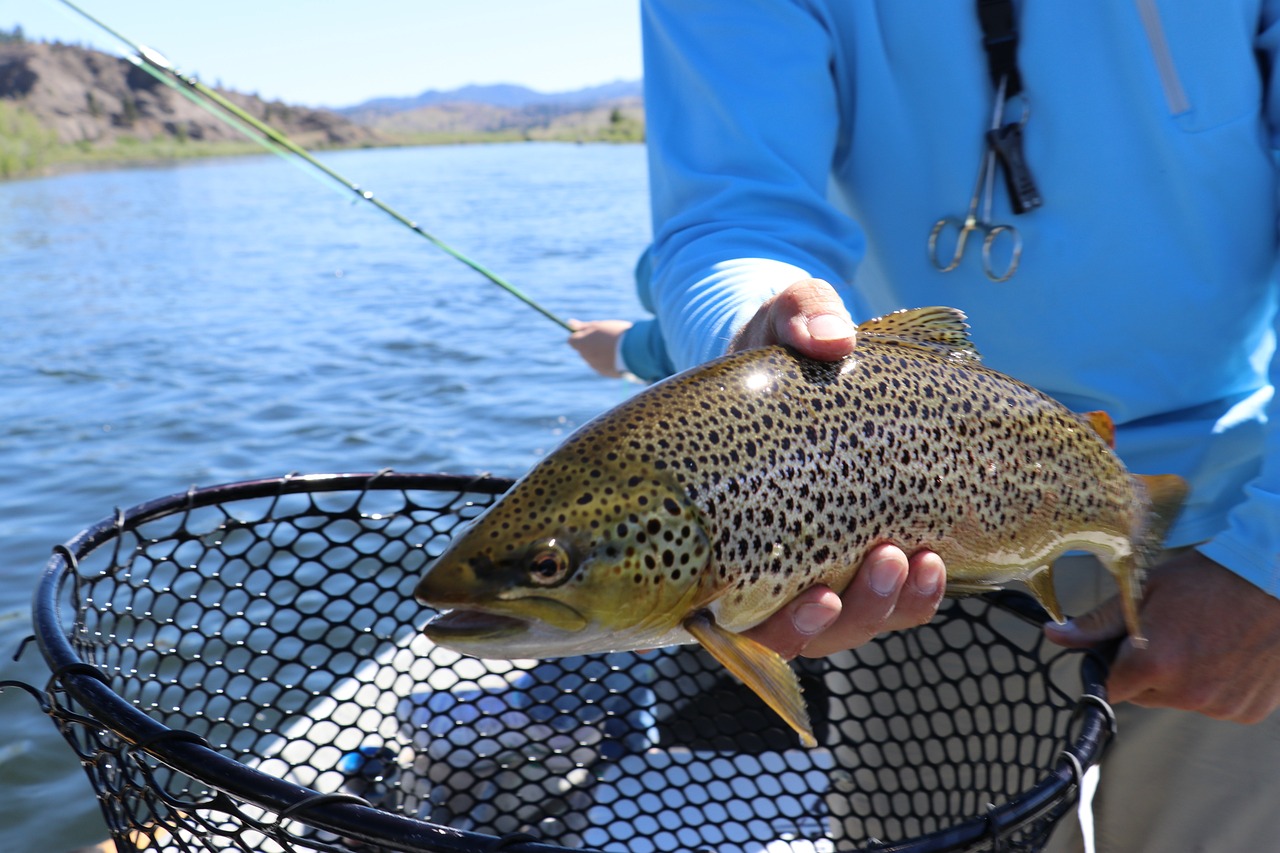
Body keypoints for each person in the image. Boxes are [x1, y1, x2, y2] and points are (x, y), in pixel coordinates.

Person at [569, 3, 1280, 851]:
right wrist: (753, 326)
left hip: (1240, 503)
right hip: (893, 545)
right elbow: (730, 210)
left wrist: (1267, 560)